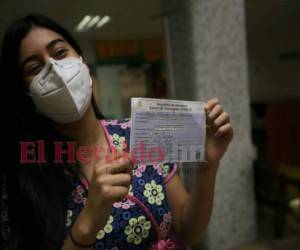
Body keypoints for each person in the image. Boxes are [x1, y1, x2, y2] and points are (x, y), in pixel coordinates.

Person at [0, 14, 233, 250]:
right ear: (25, 94)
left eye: (60, 53)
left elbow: (187, 230)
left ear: (83, 62)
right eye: (35, 68)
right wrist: (88, 224)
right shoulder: (25, 173)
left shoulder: (142, 132)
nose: (55, 70)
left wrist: (208, 166)